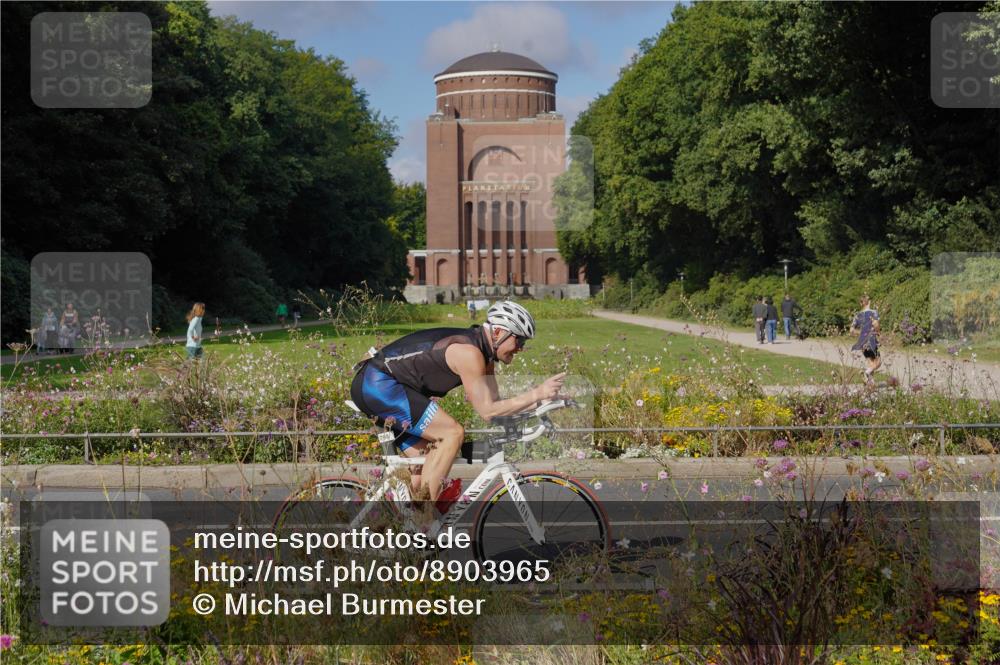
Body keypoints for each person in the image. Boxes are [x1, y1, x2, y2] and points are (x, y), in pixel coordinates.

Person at [350, 301, 564, 513]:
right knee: (452, 434)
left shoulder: (485, 356)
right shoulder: (469, 354)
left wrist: (539, 404)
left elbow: (496, 407)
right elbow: (488, 410)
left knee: (424, 467)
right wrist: (537, 392)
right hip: (378, 384)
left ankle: (406, 535)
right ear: (499, 332)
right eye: (519, 340)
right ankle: (424, 522)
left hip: (382, 386)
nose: (521, 348)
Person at [850, 295, 881, 384]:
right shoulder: (874, 312)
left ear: (861, 303)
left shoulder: (857, 315)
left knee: (871, 364)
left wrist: (861, 333)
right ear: (869, 302)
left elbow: (851, 330)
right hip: (871, 341)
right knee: (878, 363)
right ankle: (866, 373)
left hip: (862, 342)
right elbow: (876, 325)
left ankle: (870, 385)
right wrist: (878, 331)